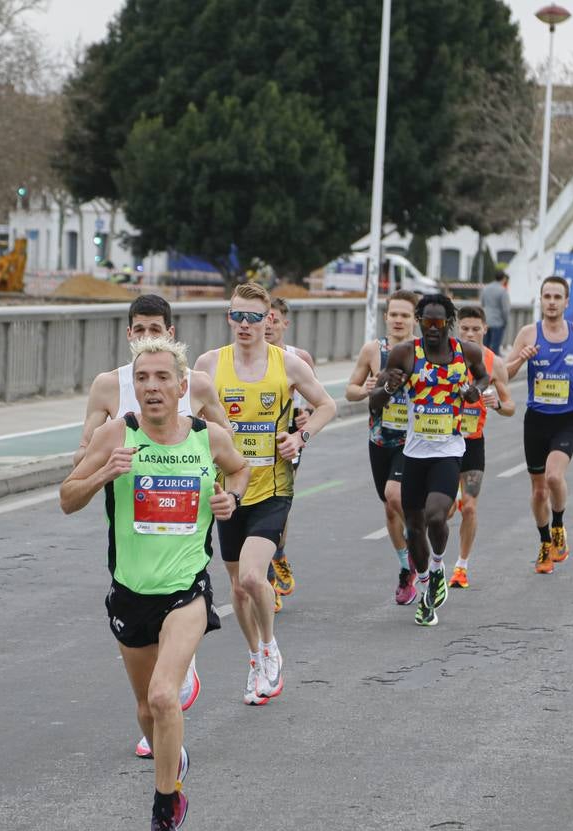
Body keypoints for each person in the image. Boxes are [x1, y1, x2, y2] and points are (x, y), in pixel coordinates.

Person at [59, 336, 249, 831]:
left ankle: (164, 816)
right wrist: (104, 473)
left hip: (186, 591)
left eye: (163, 377)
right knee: (146, 709)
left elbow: (239, 468)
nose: (152, 387)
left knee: (166, 696)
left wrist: (230, 498)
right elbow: (67, 498)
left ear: (182, 386)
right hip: (129, 594)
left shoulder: (207, 437)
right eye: (142, 378)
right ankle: (173, 764)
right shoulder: (116, 435)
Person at [72, 294, 225, 759]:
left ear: (170, 333)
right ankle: (165, 732)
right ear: (128, 334)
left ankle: (178, 671)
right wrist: (99, 464)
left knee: (162, 694)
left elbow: (224, 443)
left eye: (155, 329)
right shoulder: (108, 387)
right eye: (139, 329)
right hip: (133, 562)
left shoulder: (195, 383)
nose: (146, 337)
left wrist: (223, 489)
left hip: (184, 559)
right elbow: (83, 454)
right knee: (147, 704)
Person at [193, 283, 336, 703]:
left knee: (254, 576)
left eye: (254, 317)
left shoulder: (287, 364)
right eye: (237, 315)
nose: (245, 324)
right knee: (238, 588)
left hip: (273, 487)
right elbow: (189, 416)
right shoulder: (209, 364)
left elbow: (327, 405)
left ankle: (271, 648)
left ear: (268, 319)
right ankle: (255, 658)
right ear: (229, 317)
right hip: (227, 491)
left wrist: (301, 437)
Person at [371, 294, 489, 625]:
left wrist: (476, 391)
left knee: (437, 516)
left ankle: (437, 566)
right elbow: (374, 403)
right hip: (414, 453)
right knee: (414, 528)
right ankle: (425, 587)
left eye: (439, 322)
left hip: (448, 451)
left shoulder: (467, 352)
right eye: (427, 321)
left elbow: (482, 376)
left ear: (448, 323)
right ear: (420, 321)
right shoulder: (405, 353)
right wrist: (390, 389)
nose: (433, 328)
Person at [505, 276, 573, 575]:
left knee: (554, 477)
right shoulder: (528, 334)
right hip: (536, 421)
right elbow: (503, 373)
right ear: (541, 300)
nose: (552, 302)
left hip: (567, 418)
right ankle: (545, 543)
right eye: (547, 296)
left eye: (558, 297)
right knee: (538, 491)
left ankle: (558, 526)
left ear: (567, 302)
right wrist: (521, 358)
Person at [344, 290, 419, 605]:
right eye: (394, 314)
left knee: (394, 494)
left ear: (414, 319)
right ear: (386, 317)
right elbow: (349, 390)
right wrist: (365, 389)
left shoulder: (423, 351)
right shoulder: (373, 350)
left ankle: (418, 540)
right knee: (389, 506)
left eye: (405, 315)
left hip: (413, 440)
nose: (399, 320)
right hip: (380, 438)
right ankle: (406, 568)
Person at [449, 305, 514, 589]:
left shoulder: (493, 363)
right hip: (443, 443)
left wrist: (497, 404)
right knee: (444, 510)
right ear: (457, 329)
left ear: (485, 330)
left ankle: (461, 567)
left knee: (470, 508)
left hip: (473, 444)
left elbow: (510, 406)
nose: (470, 334)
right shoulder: (444, 357)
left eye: (476, 329)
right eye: (465, 328)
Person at [264, 296, 316, 603]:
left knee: (277, 503)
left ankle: (276, 559)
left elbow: (314, 400)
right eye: (264, 318)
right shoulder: (241, 358)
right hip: (251, 437)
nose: (268, 325)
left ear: (285, 323)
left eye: (274, 319)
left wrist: (306, 415)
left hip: (287, 438)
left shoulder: (299, 358)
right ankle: (267, 574)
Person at [478, 271, 511, 351]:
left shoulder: (486, 288)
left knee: (485, 347)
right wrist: (506, 321)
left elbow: (482, 303)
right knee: (495, 348)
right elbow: (505, 309)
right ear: (504, 279)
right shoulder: (502, 290)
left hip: (486, 320)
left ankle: (484, 359)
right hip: (498, 322)